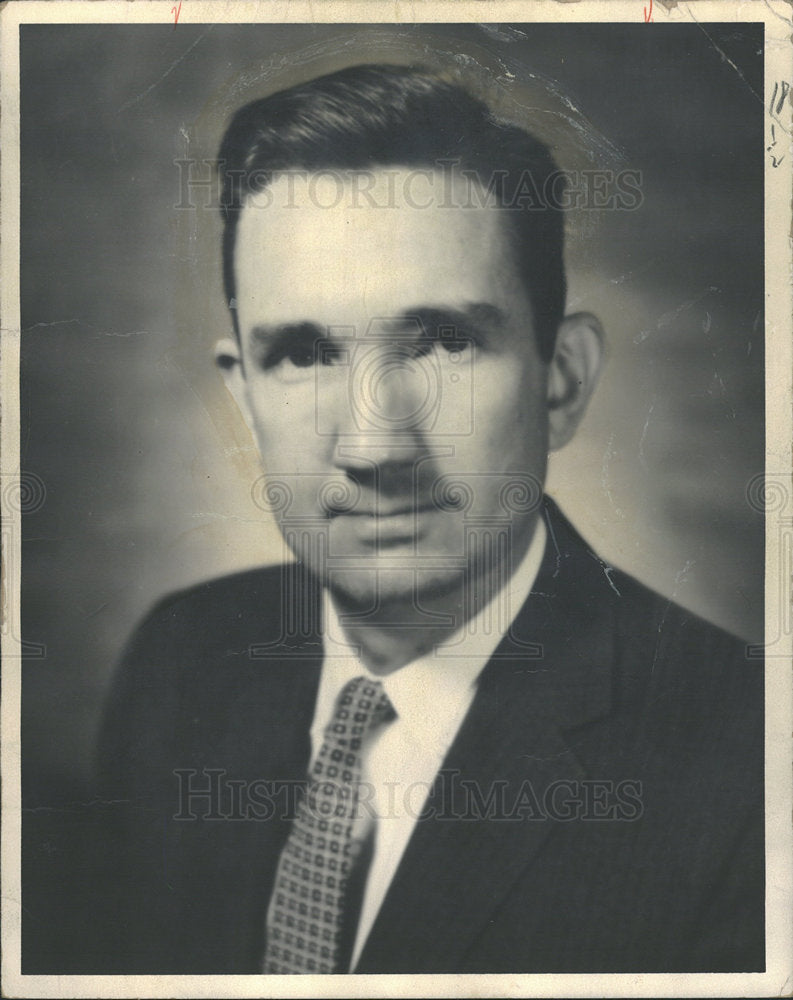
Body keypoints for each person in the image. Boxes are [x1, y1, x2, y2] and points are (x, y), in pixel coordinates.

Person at [97, 63, 763, 975]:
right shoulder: (179, 661)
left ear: (560, 378)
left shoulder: (751, 769)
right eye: (304, 353)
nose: (375, 447)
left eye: (444, 341)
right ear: (244, 396)